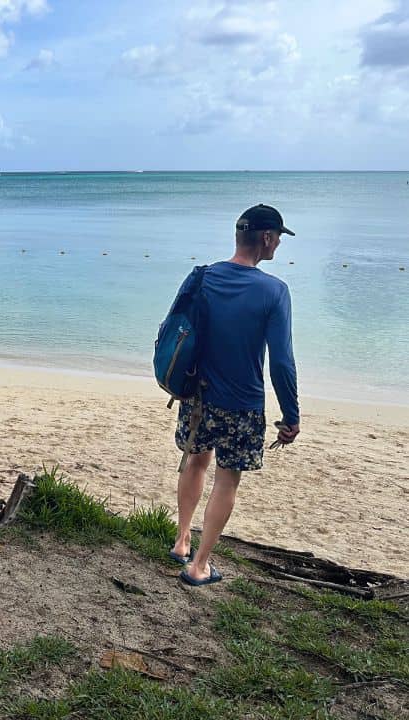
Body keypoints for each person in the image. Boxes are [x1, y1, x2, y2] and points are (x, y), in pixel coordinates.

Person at [170, 204, 301, 586]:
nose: (278, 243)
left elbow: (177, 331)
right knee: (227, 479)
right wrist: (291, 415)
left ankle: (181, 541)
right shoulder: (274, 291)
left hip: (196, 397)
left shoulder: (202, 277)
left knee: (195, 462)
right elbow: (282, 362)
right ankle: (199, 565)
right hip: (241, 404)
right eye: (278, 237)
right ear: (265, 238)